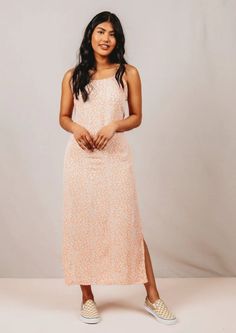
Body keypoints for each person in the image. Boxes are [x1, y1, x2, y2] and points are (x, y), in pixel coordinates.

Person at [59, 11, 177, 325]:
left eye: (112, 33)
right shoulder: (73, 75)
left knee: (128, 224)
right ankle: (87, 298)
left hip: (115, 159)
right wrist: (76, 129)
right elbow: (64, 116)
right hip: (81, 160)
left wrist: (114, 126)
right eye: (100, 31)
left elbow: (136, 116)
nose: (105, 38)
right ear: (89, 35)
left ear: (118, 40)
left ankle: (153, 296)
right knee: (82, 225)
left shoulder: (128, 73)